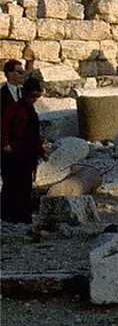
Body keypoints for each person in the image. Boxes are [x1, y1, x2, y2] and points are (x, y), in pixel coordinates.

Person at [1, 74, 45, 224]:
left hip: (27, 153)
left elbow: (34, 133)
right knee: (11, 184)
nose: (35, 99)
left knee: (25, 185)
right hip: (13, 153)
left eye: (37, 97)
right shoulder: (14, 108)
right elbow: (4, 127)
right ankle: (8, 215)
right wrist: (5, 143)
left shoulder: (31, 110)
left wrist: (41, 150)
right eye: (33, 96)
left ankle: (23, 216)